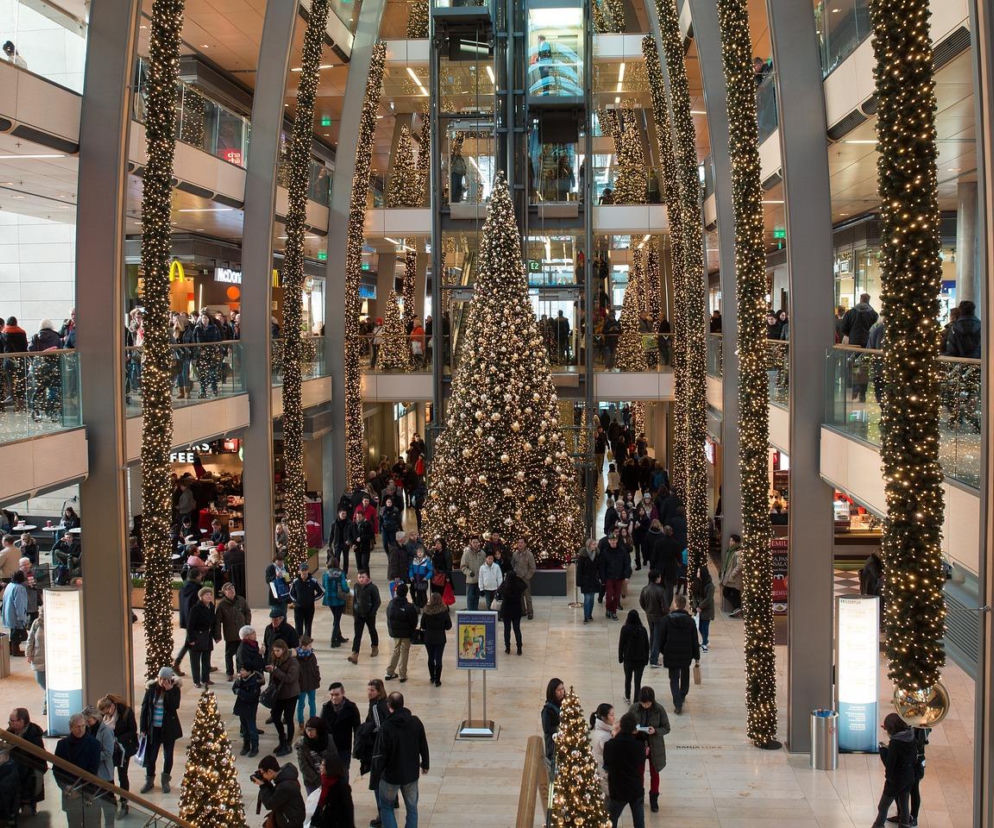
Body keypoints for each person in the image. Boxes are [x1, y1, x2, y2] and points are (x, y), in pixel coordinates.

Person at [375, 691, 429, 828]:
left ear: (389, 705)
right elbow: (423, 743)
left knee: (387, 807)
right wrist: (425, 764)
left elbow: (381, 753)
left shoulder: (386, 727)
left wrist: (377, 773)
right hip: (411, 774)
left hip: (391, 776)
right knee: (412, 808)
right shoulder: (415, 722)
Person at [139, 666, 182, 794]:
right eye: (160, 678)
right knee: (151, 756)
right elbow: (144, 709)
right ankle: (149, 780)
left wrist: (168, 691)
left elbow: (174, 706)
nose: (162, 681)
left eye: (165, 679)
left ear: (170, 680)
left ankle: (165, 780)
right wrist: (143, 728)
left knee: (168, 756)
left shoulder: (175, 690)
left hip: (168, 729)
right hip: (153, 728)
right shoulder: (151, 689)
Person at [627, 686, 670, 814]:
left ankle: (654, 799)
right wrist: (633, 730)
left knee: (654, 773)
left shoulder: (659, 709)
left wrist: (655, 731)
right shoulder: (634, 708)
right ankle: (639, 797)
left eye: (648, 703)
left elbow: (667, 728)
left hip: (654, 746)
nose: (645, 705)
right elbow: (626, 724)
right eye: (643, 703)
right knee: (638, 773)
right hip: (638, 744)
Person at [54, 713, 101, 827]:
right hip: (70, 794)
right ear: (71, 728)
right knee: (73, 824)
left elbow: (92, 771)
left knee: (92, 824)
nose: (81, 729)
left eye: (83, 726)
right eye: (77, 726)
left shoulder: (94, 744)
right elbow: (57, 770)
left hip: (88, 794)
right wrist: (65, 787)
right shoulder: (62, 745)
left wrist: (78, 790)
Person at [872, 713, 917, 828]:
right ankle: (904, 825)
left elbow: (890, 764)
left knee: (882, 807)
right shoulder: (911, 736)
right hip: (908, 777)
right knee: (904, 804)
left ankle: (878, 825)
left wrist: (883, 751)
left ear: (891, 729)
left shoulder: (895, 743)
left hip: (895, 780)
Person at [602, 712, 646, 828]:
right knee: (639, 822)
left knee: (611, 819)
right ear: (634, 729)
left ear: (620, 726)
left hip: (618, 789)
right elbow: (641, 762)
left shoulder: (610, 745)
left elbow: (607, 765)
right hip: (635, 788)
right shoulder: (639, 746)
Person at [658, 594, 700, 714]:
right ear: (684, 605)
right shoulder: (690, 621)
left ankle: (677, 703)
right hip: (686, 653)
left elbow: (661, 639)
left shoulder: (666, 620)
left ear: (675, 605)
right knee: (685, 676)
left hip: (671, 653)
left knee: (674, 678)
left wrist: (663, 651)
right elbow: (694, 641)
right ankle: (682, 694)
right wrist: (696, 656)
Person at [97, 694, 139, 812]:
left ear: (111, 707)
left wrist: (117, 738)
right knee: (109, 775)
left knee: (122, 775)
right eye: (103, 714)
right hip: (110, 750)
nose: (105, 716)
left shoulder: (126, 712)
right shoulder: (103, 715)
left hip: (123, 749)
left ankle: (124, 801)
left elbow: (133, 730)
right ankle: (111, 800)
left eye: (107, 713)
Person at [82, 705, 118, 825]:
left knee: (108, 806)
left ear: (95, 718)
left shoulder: (106, 731)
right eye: (85, 721)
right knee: (94, 806)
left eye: (89, 720)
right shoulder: (87, 729)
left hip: (104, 774)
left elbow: (108, 752)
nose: (87, 723)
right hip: (92, 773)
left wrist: (93, 757)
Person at [265, 639, 301, 757]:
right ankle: (282, 739)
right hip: (278, 694)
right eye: (274, 650)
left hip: (290, 695)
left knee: (288, 718)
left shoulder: (293, 662)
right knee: (275, 716)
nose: (276, 653)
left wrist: (276, 671)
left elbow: (290, 678)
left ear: (284, 650)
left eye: (278, 650)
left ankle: (288, 743)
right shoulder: (275, 660)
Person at [7, 708, 45, 816]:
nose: (11, 724)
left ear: (22, 721)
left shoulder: (34, 735)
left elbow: (38, 758)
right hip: (14, 770)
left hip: (30, 771)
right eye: (10, 721)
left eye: (13, 721)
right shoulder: (10, 732)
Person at [253, 754, 306, 828]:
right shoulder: (284, 777)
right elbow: (276, 795)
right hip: (290, 817)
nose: (262, 776)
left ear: (270, 771)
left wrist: (263, 786)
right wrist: (266, 784)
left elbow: (269, 804)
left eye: (262, 773)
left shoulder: (285, 785)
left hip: (290, 822)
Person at [214, 581, 251, 681]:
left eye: (233, 588)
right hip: (230, 634)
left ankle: (240, 671)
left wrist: (247, 625)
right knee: (229, 654)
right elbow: (217, 621)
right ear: (225, 592)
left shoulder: (241, 600)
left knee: (241, 654)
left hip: (242, 633)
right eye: (229, 589)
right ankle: (229, 672)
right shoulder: (221, 605)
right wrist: (217, 635)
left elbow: (247, 612)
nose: (231, 591)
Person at [320, 682, 361, 772]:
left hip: (344, 748)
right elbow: (321, 728)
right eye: (332, 695)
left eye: (337, 694)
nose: (334, 697)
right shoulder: (326, 708)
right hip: (329, 749)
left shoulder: (351, 708)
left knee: (344, 774)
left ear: (343, 693)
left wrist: (356, 747)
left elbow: (357, 729)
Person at [385, 582, 419, 683]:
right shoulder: (409, 606)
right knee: (404, 652)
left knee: (396, 650)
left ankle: (389, 672)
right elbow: (414, 621)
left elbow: (388, 617)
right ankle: (402, 674)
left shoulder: (391, 604)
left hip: (395, 632)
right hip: (406, 634)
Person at [231, 656, 263, 757]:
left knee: (252, 729)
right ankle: (246, 745)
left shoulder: (254, 683)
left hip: (250, 709)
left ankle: (255, 747)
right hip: (242, 707)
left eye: (243, 670)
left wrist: (240, 692)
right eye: (241, 669)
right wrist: (237, 683)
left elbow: (251, 697)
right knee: (244, 728)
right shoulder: (242, 679)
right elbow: (234, 688)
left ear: (249, 672)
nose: (241, 671)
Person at [348, 570, 381, 665]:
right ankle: (355, 653)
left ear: (367, 578)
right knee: (357, 634)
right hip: (358, 614)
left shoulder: (373, 588)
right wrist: (354, 612)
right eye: (359, 577)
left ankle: (375, 647)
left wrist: (372, 612)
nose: (361, 579)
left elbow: (377, 602)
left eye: (363, 577)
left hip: (369, 614)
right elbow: (355, 599)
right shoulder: (356, 586)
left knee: (372, 630)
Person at [419, 592, 451, 686]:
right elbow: (448, 626)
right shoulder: (444, 611)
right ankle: (437, 680)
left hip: (428, 638)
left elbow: (422, 625)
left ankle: (432, 677)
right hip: (440, 638)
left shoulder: (426, 611)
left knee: (430, 657)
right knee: (439, 659)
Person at [186, 586, 216, 688]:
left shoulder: (211, 606)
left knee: (206, 660)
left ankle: (206, 679)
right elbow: (190, 625)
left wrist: (215, 635)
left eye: (210, 594)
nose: (209, 596)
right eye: (206, 594)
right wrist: (191, 640)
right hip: (196, 636)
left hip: (207, 636)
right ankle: (196, 681)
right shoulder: (195, 608)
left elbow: (214, 622)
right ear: (201, 597)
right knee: (195, 661)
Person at [618, 610, 650, 704]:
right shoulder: (642, 630)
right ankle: (636, 700)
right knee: (637, 681)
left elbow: (621, 644)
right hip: (640, 660)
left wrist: (620, 657)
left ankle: (627, 697)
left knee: (628, 679)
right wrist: (646, 658)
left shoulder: (625, 629)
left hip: (628, 659)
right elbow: (646, 646)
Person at [598, 534, 631, 620]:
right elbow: (602, 566)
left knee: (617, 596)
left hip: (619, 577)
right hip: (609, 577)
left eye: (614, 540)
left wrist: (627, 576)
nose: (613, 541)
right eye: (611, 540)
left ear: (616, 540)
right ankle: (609, 609)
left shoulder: (622, 551)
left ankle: (613, 612)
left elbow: (627, 564)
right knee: (609, 595)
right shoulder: (605, 552)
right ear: (608, 541)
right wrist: (602, 578)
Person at [639, 570, 668, 667]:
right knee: (657, 637)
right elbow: (665, 606)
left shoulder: (645, 589)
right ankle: (654, 660)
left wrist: (647, 610)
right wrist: (665, 613)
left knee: (652, 635)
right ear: (657, 578)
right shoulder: (660, 590)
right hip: (659, 617)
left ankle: (651, 654)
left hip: (649, 615)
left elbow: (642, 602)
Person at [294, 717, 329, 794]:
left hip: (327, 778)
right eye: (308, 730)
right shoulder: (302, 745)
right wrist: (318, 780)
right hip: (311, 782)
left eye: (312, 730)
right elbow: (304, 766)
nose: (310, 733)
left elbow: (332, 757)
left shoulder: (327, 740)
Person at [289, 563, 324, 640]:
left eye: (305, 571)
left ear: (308, 571)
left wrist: (313, 599)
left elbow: (321, 592)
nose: (304, 573)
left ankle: (307, 644)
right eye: (302, 571)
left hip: (309, 608)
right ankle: (299, 643)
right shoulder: (296, 582)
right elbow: (291, 593)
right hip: (298, 608)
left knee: (308, 626)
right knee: (298, 626)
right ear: (299, 571)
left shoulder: (313, 581)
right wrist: (296, 601)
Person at [322, 557, 350, 648]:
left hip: (329, 599)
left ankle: (339, 636)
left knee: (336, 618)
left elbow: (323, 586)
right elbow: (345, 587)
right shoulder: (341, 573)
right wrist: (348, 587)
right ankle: (333, 640)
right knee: (337, 620)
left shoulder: (325, 574)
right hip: (339, 599)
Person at [497, 569, 527, 655]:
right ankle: (519, 648)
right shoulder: (519, 585)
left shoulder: (505, 585)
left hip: (506, 610)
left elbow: (498, 591)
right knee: (517, 629)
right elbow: (524, 585)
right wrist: (518, 578)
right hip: (516, 610)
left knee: (507, 630)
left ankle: (507, 648)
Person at [589, 703, 614, 798]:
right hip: (604, 775)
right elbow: (611, 755)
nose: (614, 718)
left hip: (599, 771)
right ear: (604, 717)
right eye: (611, 715)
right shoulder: (604, 737)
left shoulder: (599, 730)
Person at [541, 678, 565, 777]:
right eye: (558, 690)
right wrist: (561, 729)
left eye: (562, 689)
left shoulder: (565, 704)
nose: (562, 692)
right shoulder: (547, 710)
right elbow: (547, 729)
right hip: (554, 746)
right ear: (552, 692)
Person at [295, 635, 321, 725]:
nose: (311, 647)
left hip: (311, 683)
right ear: (303, 646)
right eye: (309, 646)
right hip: (301, 685)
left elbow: (315, 667)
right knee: (301, 704)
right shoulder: (296, 657)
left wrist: (317, 677)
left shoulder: (312, 656)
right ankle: (301, 722)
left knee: (312, 702)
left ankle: (313, 721)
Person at [1, 571, 27, 656]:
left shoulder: (9, 585)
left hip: (9, 614)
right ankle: (15, 650)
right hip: (16, 616)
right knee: (20, 634)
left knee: (14, 632)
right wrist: (21, 617)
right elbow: (19, 604)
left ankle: (12, 649)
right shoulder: (19, 588)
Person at [690, 567, 715, 652]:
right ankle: (706, 640)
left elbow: (709, 598)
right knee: (699, 626)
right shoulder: (696, 582)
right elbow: (693, 595)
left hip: (707, 609)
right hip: (698, 609)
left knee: (705, 626)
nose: (697, 573)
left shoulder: (710, 585)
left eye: (699, 571)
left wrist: (700, 606)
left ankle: (704, 642)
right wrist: (696, 606)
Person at [576, 539, 601, 623]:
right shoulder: (583, 556)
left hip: (594, 580)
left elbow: (599, 568)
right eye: (593, 544)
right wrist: (579, 582)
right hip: (585, 580)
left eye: (595, 544)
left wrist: (600, 577)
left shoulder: (597, 554)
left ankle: (590, 614)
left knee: (592, 599)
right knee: (587, 598)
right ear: (589, 545)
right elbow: (579, 570)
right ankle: (586, 616)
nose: (595, 546)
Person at [511, 538, 536, 620]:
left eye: (521, 543)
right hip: (517, 578)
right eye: (518, 543)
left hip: (525, 578)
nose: (520, 544)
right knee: (519, 596)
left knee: (527, 596)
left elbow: (532, 568)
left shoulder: (529, 554)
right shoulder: (515, 554)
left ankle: (530, 612)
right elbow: (512, 565)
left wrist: (527, 577)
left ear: (525, 544)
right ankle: (522, 611)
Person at [719, 533, 743, 616]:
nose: (730, 542)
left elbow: (740, 565)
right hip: (728, 576)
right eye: (730, 540)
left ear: (736, 542)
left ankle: (738, 608)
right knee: (728, 592)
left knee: (732, 592)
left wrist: (733, 574)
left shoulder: (738, 552)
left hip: (734, 578)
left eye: (732, 540)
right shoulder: (729, 551)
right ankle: (737, 608)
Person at [460, 535, 485, 611]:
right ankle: (470, 612)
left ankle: (475, 613)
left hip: (479, 580)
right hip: (470, 581)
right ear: (471, 543)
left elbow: (485, 566)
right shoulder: (466, 553)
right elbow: (463, 567)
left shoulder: (483, 553)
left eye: (476, 542)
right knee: (470, 598)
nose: (475, 544)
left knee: (476, 598)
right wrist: (469, 572)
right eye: (473, 542)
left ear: (479, 543)